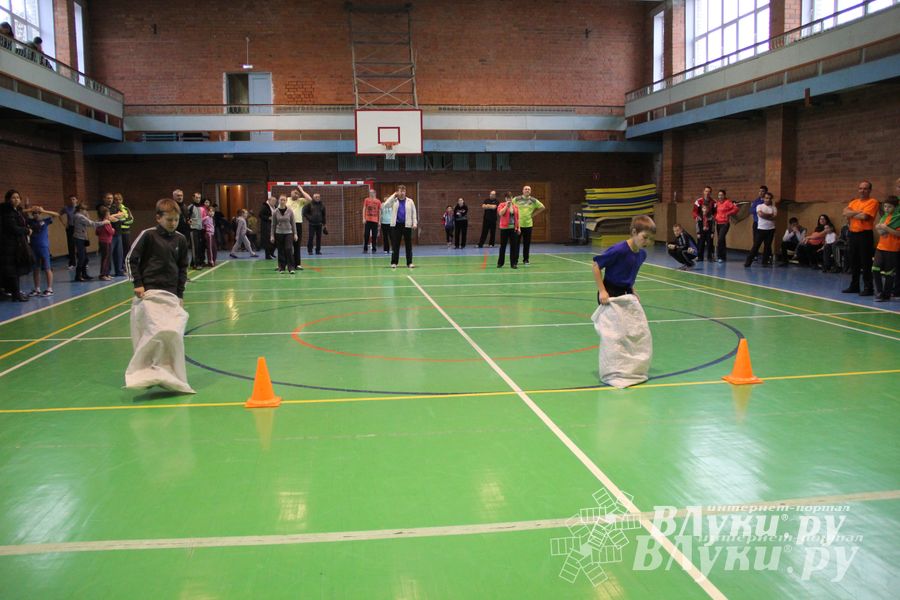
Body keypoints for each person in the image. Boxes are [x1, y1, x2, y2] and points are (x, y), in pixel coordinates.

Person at [125, 198, 192, 394]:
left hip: (170, 294)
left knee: (173, 333)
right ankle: (146, 372)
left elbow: (183, 267)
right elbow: (131, 259)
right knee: (153, 334)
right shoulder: (148, 235)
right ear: (158, 218)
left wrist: (180, 294)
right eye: (169, 220)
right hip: (150, 293)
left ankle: (168, 373)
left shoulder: (180, 239)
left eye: (176, 220)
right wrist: (138, 283)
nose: (173, 223)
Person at [593, 215, 656, 304]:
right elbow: (596, 266)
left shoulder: (642, 254)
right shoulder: (619, 250)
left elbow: (628, 275)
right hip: (610, 292)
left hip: (626, 292)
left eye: (651, 239)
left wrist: (632, 290)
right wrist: (602, 291)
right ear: (634, 232)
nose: (648, 242)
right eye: (645, 237)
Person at [841, 180, 879, 296]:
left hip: (865, 235)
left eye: (865, 188)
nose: (862, 191)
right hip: (853, 234)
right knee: (854, 261)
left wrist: (852, 213)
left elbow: (864, 216)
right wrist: (858, 212)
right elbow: (845, 213)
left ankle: (868, 287)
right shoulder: (854, 202)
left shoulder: (873, 202)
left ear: (870, 190)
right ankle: (854, 286)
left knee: (866, 262)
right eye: (860, 188)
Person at [1, 190, 32, 301]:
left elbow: (24, 221)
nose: (16, 199)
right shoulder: (7, 212)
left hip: (17, 244)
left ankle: (14, 292)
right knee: (13, 270)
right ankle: (16, 294)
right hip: (9, 245)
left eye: (18, 197)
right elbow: (13, 228)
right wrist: (26, 230)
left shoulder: (17, 211)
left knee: (15, 270)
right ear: (8, 199)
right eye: (13, 197)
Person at [72, 201, 112, 282]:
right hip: (79, 238)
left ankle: (84, 274)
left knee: (85, 258)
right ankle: (78, 276)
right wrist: (103, 222)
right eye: (85, 210)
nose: (86, 211)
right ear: (80, 210)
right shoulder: (79, 216)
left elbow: (88, 221)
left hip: (82, 238)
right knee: (82, 258)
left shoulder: (80, 215)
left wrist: (87, 215)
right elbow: (91, 224)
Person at [26, 204, 58, 296]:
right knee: (35, 268)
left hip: (43, 247)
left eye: (38, 213)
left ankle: (49, 288)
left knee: (47, 268)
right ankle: (37, 289)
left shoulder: (45, 221)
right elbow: (20, 213)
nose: (36, 214)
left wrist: (43, 210)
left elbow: (56, 214)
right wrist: (30, 209)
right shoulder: (30, 221)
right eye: (34, 213)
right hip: (33, 247)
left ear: (40, 214)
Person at [383, 185, 418, 269]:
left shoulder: (410, 201)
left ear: (405, 192)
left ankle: (409, 263)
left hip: (407, 225)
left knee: (408, 245)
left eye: (403, 191)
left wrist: (415, 223)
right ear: (397, 192)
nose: (401, 193)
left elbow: (414, 213)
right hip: (396, 226)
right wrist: (393, 195)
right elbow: (385, 205)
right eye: (400, 191)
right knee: (395, 245)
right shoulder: (394, 200)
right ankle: (394, 262)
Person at [872, 195, 899, 302]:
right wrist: (881, 229)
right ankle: (879, 292)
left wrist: (886, 228)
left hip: (892, 249)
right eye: (885, 206)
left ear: (895, 207)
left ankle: (886, 294)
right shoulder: (884, 217)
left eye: (889, 207)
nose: (886, 209)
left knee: (889, 272)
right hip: (881, 247)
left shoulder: (898, 218)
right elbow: (882, 232)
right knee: (875, 268)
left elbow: (898, 233)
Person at [513, 185, 545, 265]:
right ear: (523, 190)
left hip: (528, 225)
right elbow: (510, 206)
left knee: (526, 243)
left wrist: (533, 215)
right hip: (518, 225)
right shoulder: (516, 199)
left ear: (530, 191)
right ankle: (515, 260)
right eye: (525, 189)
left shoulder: (533, 200)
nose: (527, 190)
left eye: (528, 189)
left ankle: (526, 260)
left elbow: (542, 207)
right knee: (516, 243)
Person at [744, 192, 777, 268]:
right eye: (766, 198)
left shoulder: (774, 208)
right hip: (761, 229)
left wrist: (766, 215)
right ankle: (748, 262)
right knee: (756, 246)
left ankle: (765, 262)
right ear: (764, 199)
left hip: (771, 229)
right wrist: (769, 215)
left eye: (769, 198)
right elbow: (761, 215)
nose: (768, 200)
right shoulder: (759, 206)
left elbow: (774, 217)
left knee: (767, 246)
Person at [271, 195, 299, 274]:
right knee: (280, 250)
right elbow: (273, 225)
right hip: (278, 233)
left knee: (288, 249)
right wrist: (272, 235)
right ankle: (281, 268)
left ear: (286, 201)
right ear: (278, 201)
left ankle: (291, 268)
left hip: (288, 233)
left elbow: (293, 223)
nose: (282, 201)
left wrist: (295, 234)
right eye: (281, 200)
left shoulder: (290, 211)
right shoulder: (275, 212)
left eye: (284, 200)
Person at [111, 193, 133, 276]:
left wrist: (121, 221)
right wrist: (122, 220)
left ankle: (126, 267)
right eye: (116, 200)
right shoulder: (113, 209)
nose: (118, 201)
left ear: (122, 200)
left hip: (126, 232)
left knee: (127, 250)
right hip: (118, 232)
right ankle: (120, 268)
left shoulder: (126, 209)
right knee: (119, 252)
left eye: (119, 199)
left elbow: (131, 220)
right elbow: (113, 219)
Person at [692, 186, 716, 261]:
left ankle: (710, 257)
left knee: (710, 243)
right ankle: (699, 257)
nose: (707, 193)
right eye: (706, 191)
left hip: (709, 227)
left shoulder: (714, 202)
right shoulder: (698, 201)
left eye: (709, 191)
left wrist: (712, 232)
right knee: (700, 243)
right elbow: (694, 212)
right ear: (703, 191)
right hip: (701, 226)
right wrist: (697, 217)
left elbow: (715, 213)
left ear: (710, 193)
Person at [713, 189, 738, 262]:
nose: (720, 196)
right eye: (719, 195)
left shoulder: (727, 202)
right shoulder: (717, 203)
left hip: (725, 224)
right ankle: (723, 256)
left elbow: (736, 209)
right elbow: (716, 212)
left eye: (721, 195)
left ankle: (719, 257)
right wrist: (715, 217)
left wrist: (728, 213)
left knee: (720, 239)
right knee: (722, 240)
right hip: (718, 224)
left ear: (724, 196)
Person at [496, 193, 520, 269]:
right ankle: (500, 263)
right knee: (503, 246)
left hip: (513, 229)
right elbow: (501, 213)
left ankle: (513, 264)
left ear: (512, 198)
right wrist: (506, 206)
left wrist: (518, 228)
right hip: (504, 229)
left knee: (514, 247)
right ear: (505, 198)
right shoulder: (501, 205)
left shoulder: (515, 206)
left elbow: (517, 218)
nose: (509, 199)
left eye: (510, 197)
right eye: (507, 198)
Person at [290, 187, 310, 267]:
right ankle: (288, 263)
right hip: (288, 224)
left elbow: (309, 199)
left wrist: (301, 190)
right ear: (291, 192)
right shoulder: (286, 200)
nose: (295, 194)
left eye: (297, 193)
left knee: (297, 244)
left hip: (297, 224)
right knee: (287, 245)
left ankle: (297, 264)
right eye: (294, 192)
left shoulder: (300, 201)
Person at [95, 205, 116, 281]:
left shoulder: (99, 222)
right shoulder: (106, 222)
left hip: (105, 241)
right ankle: (103, 275)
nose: (109, 215)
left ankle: (106, 273)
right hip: (105, 242)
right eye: (108, 214)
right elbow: (111, 232)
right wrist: (113, 230)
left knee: (107, 258)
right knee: (105, 258)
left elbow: (97, 232)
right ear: (104, 215)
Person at [187, 192, 206, 268]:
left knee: (200, 246)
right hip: (193, 229)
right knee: (195, 247)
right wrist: (188, 222)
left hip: (200, 229)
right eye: (196, 197)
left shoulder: (201, 207)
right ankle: (196, 264)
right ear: (193, 198)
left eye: (199, 198)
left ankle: (194, 262)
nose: (198, 199)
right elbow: (186, 217)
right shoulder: (190, 207)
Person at [60, 194, 78, 270]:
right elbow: (59, 214)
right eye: (70, 200)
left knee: (81, 245)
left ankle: (84, 262)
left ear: (76, 200)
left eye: (73, 199)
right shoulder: (66, 208)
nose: (72, 201)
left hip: (78, 228)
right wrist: (64, 224)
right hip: (70, 227)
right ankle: (72, 263)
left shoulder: (79, 208)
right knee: (71, 245)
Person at [362, 188, 382, 253]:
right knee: (366, 234)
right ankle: (365, 248)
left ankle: (374, 248)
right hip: (367, 220)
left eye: (372, 192)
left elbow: (380, 211)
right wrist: (364, 218)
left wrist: (379, 221)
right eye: (370, 193)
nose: (371, 194)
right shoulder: (366, 200)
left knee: (374, 235)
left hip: (375, 221)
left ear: (374, 193)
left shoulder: (378, 201)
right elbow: (364, 208)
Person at [259, 195, 276, 259]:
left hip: (273, 225)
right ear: (269, 201)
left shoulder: (275, 207)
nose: (274, 202)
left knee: (275, 240)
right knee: (268, 241)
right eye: (273, 201)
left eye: (275, 201)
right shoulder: (265, 207)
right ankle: (267, 255)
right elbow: (260, 215)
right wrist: (268, 218)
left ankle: (272, 253)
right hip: (266, 226)